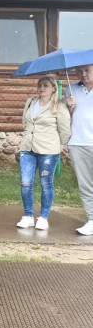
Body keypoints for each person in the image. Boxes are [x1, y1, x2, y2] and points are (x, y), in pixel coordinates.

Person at [17, 76, 71, 230]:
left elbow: (65, 130)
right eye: (39, 85)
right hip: (27, 148)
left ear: (53, 88)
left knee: (46, 183)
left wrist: (59, 147)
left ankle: (43, 217)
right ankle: (28, 216)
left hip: (48, 150)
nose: (41, 88)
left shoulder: (59, 106)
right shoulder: (31, 102)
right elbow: (25, 121)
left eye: (45, 85)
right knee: (26, 183)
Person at [66, 64, 93, 235]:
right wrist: (69, 108)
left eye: (87, 70)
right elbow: (64, 118)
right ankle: (91, 219)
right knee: (85, 185)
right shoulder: (71, 89)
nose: (83, 74)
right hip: (78, 143)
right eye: (79, 71)